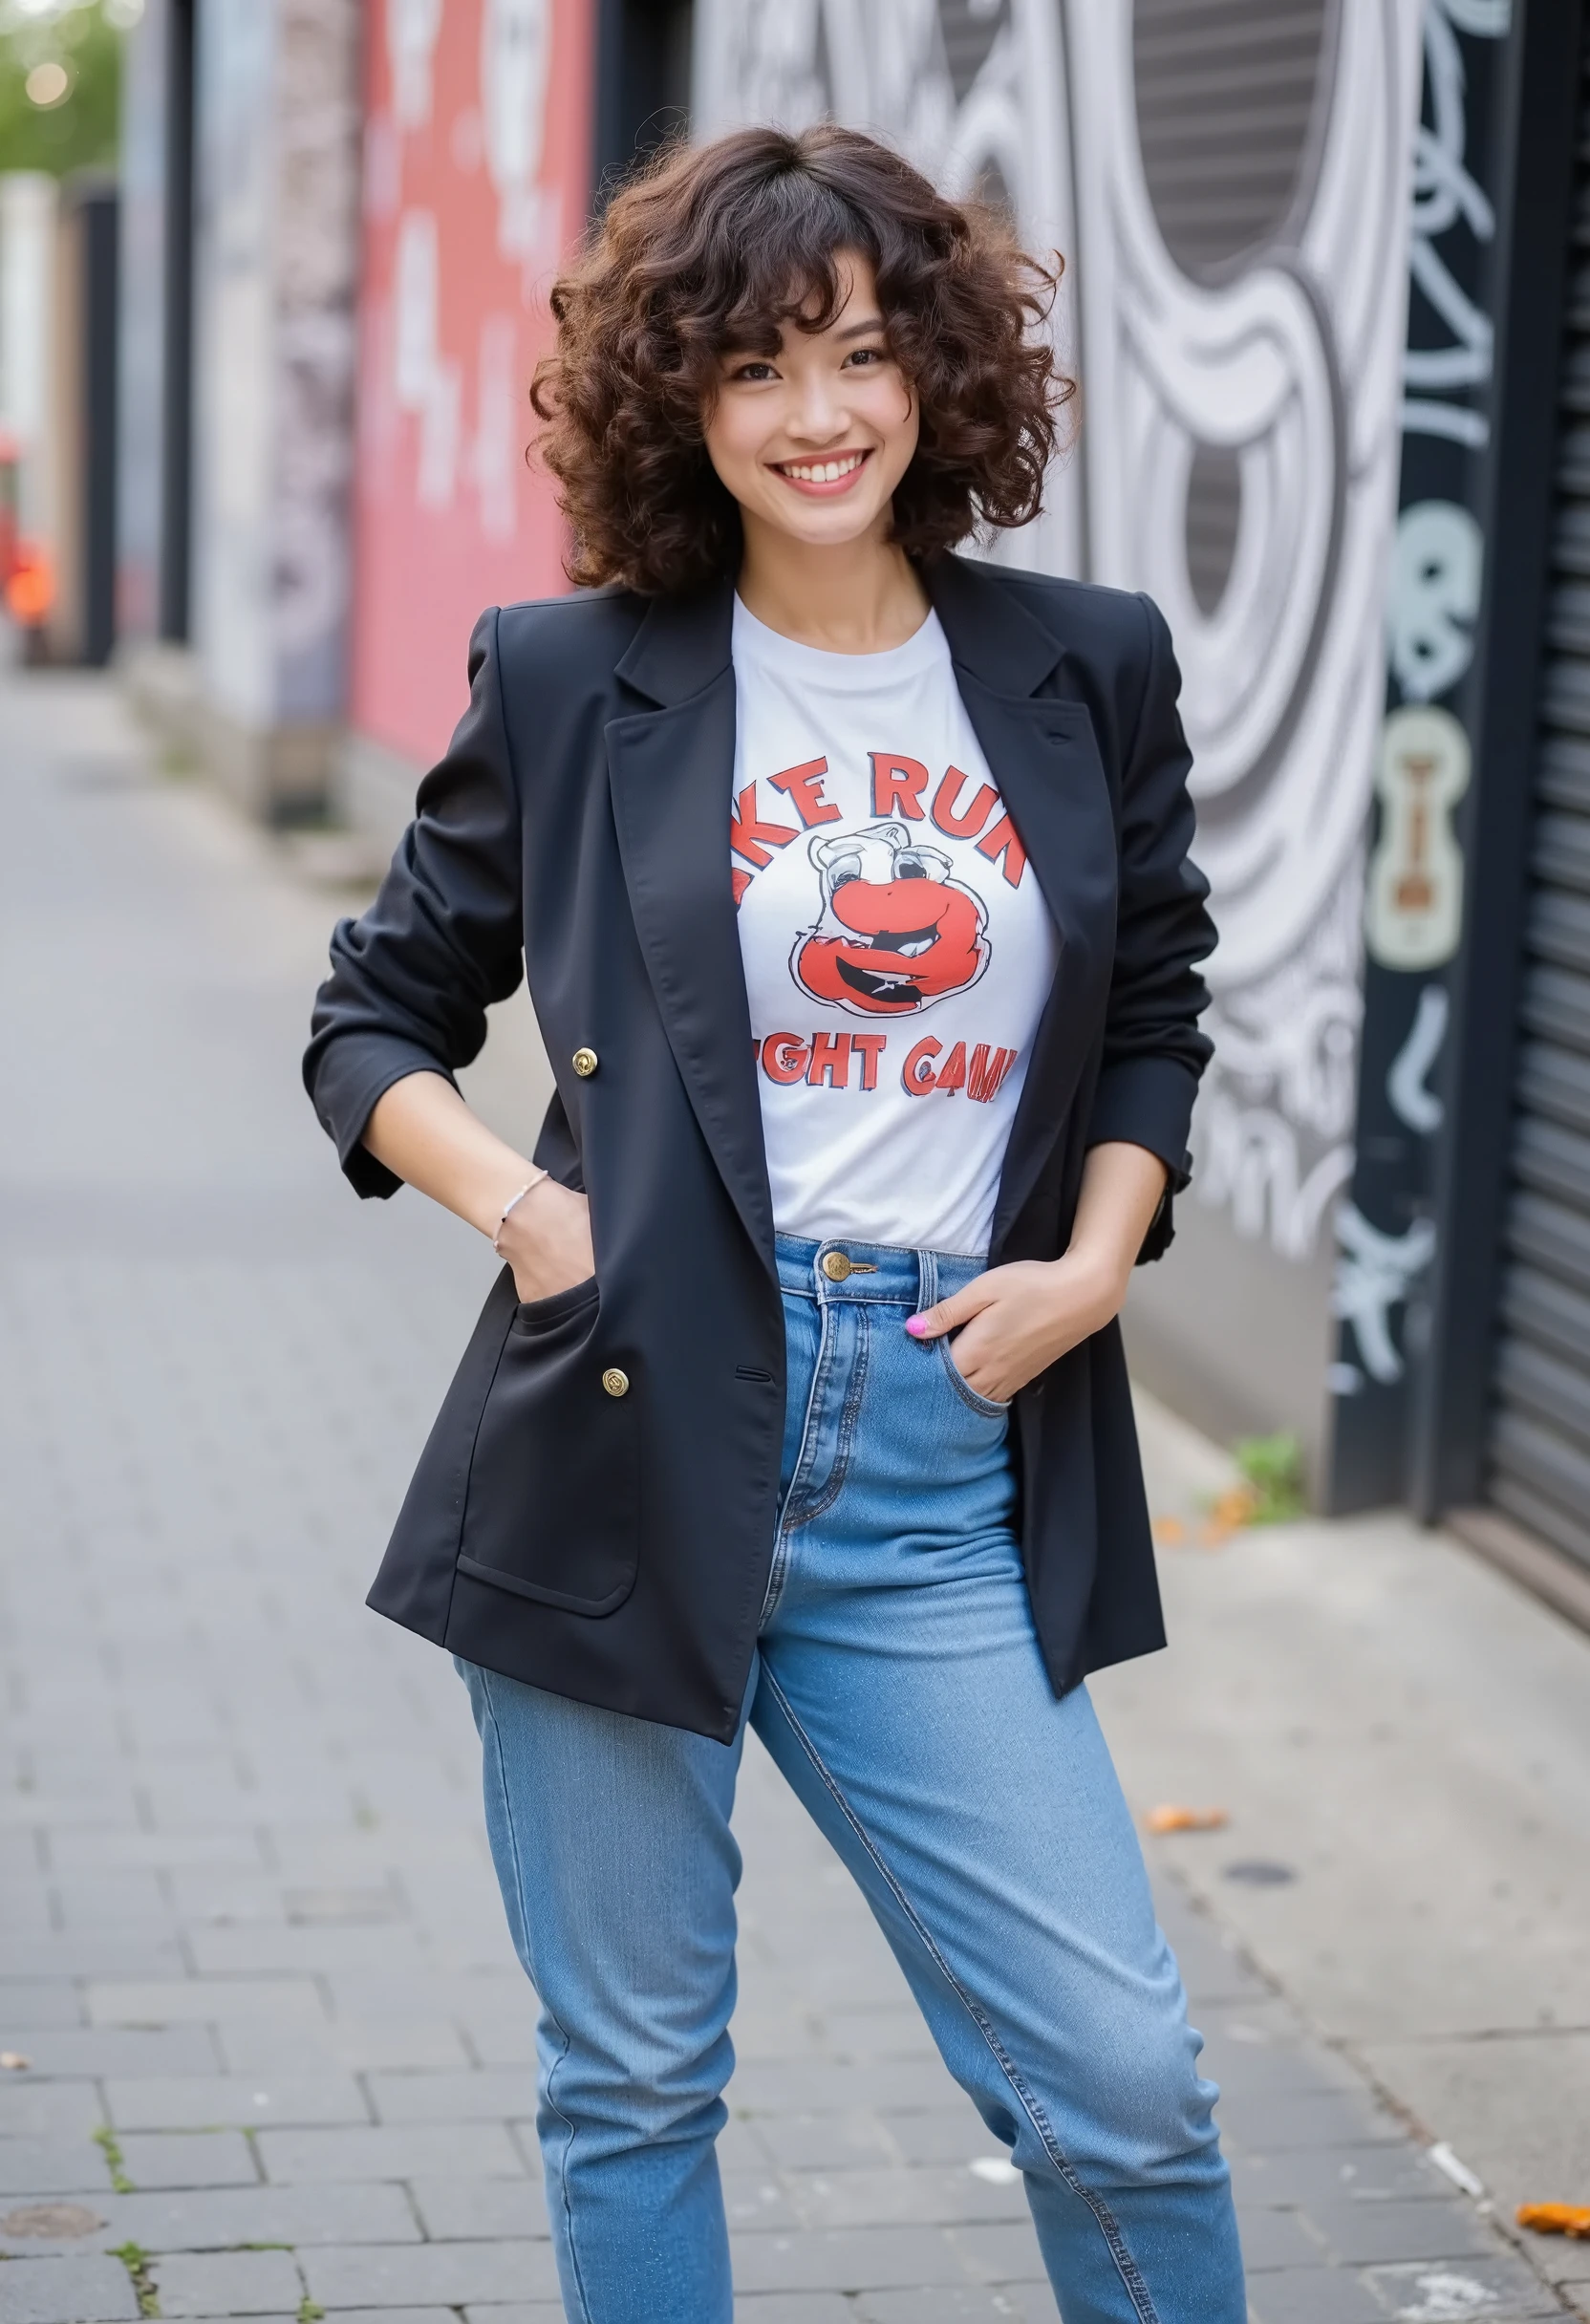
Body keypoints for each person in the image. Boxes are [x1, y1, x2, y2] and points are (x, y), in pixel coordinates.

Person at [304, 123, 1244, 2324]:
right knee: (633, 2081)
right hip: (625, 1428)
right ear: (681, 408)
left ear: (933, 370)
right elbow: (373, 1024)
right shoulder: (571, 675)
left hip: (939, 1455)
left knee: (1125, 2081)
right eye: (754, 371)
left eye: (855, 353)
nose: (817, 416)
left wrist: (1103, 1256)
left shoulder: (1076, 666)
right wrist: (536, 1214)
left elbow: (1158, 1006)